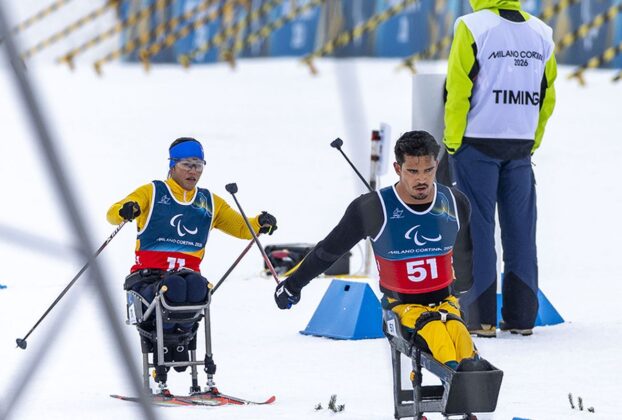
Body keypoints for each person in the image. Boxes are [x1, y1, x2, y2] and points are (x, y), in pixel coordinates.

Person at [275, 131, 479, 369]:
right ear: (397, 168)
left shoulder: (455, 203)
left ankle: (472, 381)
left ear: (437, 165)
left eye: (428, 170)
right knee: (439, 339)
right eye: (413, 171)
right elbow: (328, 251)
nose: (422, 179)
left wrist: (462, 287)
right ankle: (460, 381)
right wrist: (293, 285)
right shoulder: (374, 208)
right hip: (403, 308)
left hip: (445, 303)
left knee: (463, 343)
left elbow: (465, 255)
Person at [107, 137, 277, 384]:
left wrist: (259, 222)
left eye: (198, 165)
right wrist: (126, 209)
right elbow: (112, 213)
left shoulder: (209, 202)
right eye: (187, 164)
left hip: (188, 278)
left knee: (198, 286)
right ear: (172, 165)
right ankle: (166, 347)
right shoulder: (153, 192)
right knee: (174, 286)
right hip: (148, 279)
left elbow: (242, 228)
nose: (193, 171)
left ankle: (181, 344)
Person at [443, 0, 557, 337]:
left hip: (476, 143)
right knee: (521, 233)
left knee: (476, 231)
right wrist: (532, 140)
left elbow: (458, 89)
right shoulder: (541, 32)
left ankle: (481, 319)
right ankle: (522, 318)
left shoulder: (471, 25)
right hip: (520, 145)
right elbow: (547, 95)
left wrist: (452, 141)